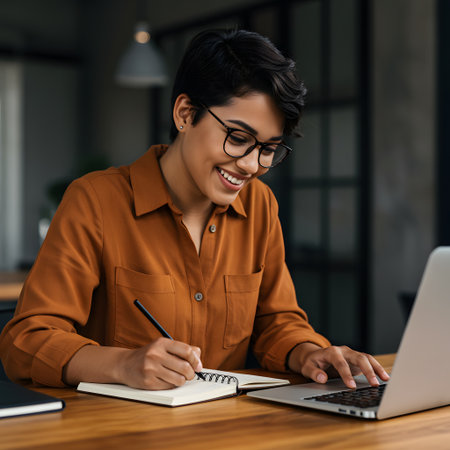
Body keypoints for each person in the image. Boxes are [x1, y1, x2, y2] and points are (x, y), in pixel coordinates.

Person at [0, 29, 389, 390]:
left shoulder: (259, 206)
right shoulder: (96, 201)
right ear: (185, 114)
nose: (252, 166)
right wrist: (121, 365)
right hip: (118, 433)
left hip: (224, 430)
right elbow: (25, 342)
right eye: (238, 138)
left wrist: (309, 353)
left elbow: (277, 321)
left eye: (268, 149)